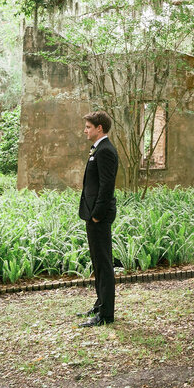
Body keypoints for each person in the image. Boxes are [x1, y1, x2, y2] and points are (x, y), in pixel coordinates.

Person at [77, 111, 118, 326]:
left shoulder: (105, 151)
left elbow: (106, 187)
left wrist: (96, 216)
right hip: (92, 214)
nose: (85, 130)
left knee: (103, 263)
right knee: (97, 262)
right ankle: (100, 305)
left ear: (99, 128)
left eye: (88, 127)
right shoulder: (98, 149)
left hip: (98, 217)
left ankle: (106, 315)